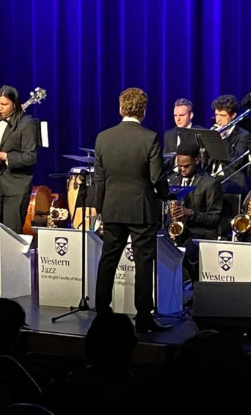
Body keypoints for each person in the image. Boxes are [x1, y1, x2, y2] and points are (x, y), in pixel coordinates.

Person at [94, 88, 171, 333]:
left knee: (108, 259)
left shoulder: (103, 138)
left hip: (112, 208)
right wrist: (166, 194)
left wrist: (100, 208)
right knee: (143, 263)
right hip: (141, 210)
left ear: (121, 109)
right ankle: (144, 317)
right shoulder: (150, 138)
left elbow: (99, 179)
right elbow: (157, 176)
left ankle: (102, 312)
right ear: (143, 111)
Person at [0, 85, 39, 234]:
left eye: (4, 105)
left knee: (11, 233)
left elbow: (31, 157)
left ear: (14, 104)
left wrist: (4, 156)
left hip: (16, 185)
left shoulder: (27, 123)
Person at [167, 143, 223, 280]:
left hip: (200, 234)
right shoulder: (174, 179)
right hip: (179, 232)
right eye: (179, 166)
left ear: (196, 160)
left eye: (186, 166)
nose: (182, 170)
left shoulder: (210, 183)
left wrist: (190, 213)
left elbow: (215, 218)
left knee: (186, 252)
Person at [209, 94, 251, 194]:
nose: (218, 120)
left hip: (231, 181)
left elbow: (236, 162)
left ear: (233, 116)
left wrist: (223, 139)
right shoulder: (213, 132)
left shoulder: (244, 135)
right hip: (211, 177)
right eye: (216, 115)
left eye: (223, 116)